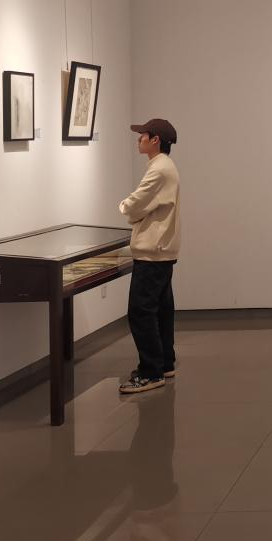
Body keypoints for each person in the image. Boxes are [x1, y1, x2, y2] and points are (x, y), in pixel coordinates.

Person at [118, 118, 181, 394]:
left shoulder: (158, 170)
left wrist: (123, 206)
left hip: (152, 251)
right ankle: (164, 363)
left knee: (140, 312)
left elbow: (135, 205)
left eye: (142, 135)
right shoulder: (165, 166)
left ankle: (151, 372)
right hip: (162, 250)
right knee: (161, 310)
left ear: (155, 140)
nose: (138, 139)